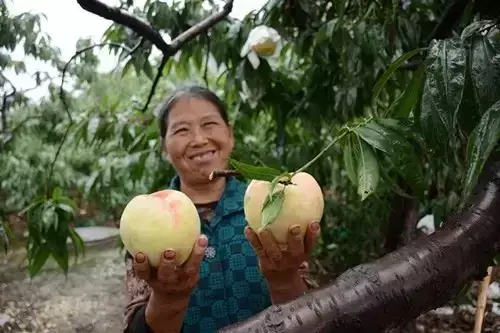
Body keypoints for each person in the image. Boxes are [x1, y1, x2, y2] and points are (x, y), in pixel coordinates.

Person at [123, 85, 321, 333]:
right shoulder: (144, 223)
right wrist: (167, 300)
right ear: (164, 148)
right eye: (182, 130)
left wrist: (284, 279)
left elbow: (313, 317)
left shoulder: (272, 202)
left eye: (209, 124)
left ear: (230, 134)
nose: (198, 139)